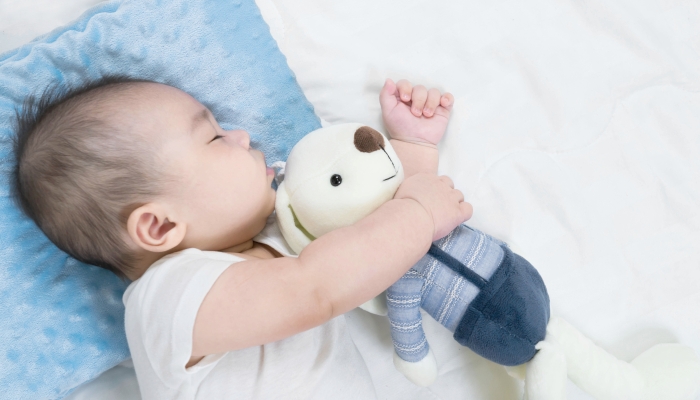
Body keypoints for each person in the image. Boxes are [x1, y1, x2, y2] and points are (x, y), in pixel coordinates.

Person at [13, 76, 471, 399]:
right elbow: (316, 289)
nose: (242, 135)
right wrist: (418, 213)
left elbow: (375, 247)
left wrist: (413, 151)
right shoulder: (170, 297)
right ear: (160, 227)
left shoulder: (278, 240)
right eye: (214, 138)